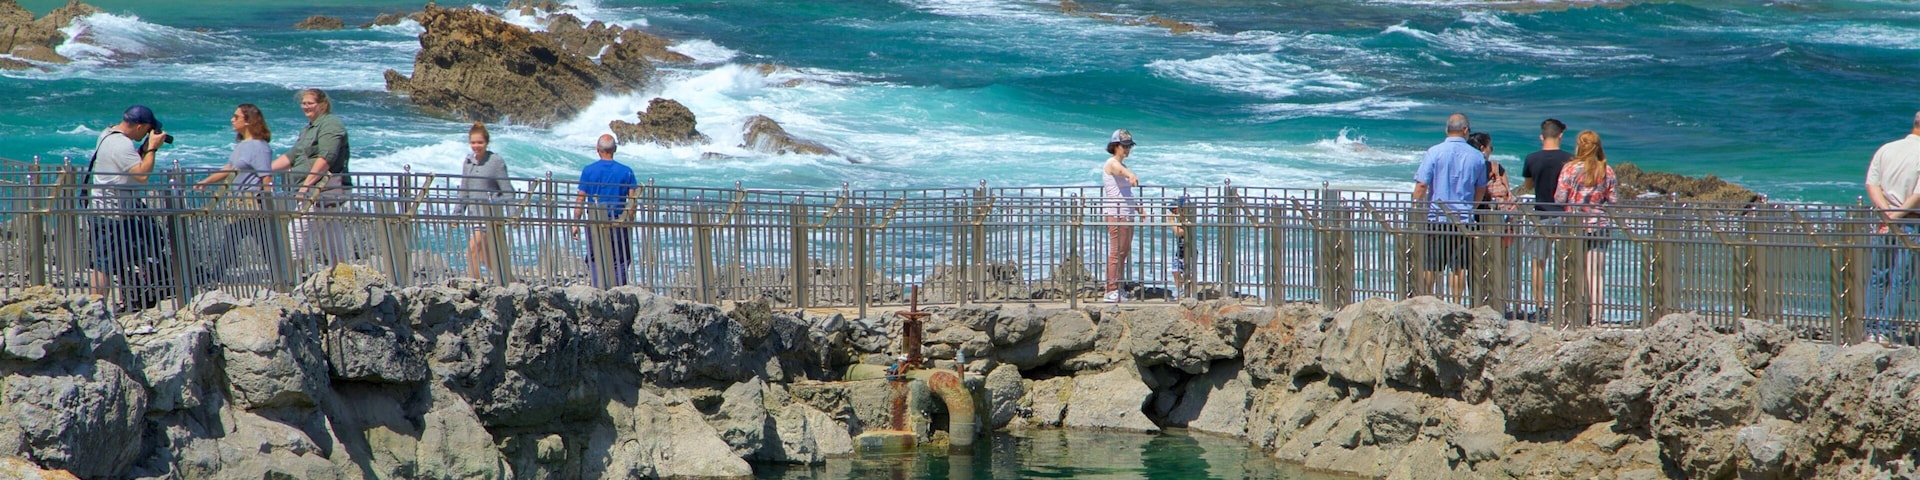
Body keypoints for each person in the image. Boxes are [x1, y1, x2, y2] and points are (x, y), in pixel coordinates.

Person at [87, 105, 172, 308]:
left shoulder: (108, 134)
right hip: (113, 213)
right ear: (140, 126)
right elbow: (141, 175)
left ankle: (134, 293)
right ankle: (95, 310)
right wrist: (151, 149)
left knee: (136, 249)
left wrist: (142, 149)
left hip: (109, 209)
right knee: (104, 265)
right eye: (147, 129)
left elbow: (126, 165)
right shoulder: (121, 145)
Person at [193, 104, 276, 282]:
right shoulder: (243, 145)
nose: (232, 119)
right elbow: (230, 169)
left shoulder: (259, 147)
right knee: (237, 238)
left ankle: (216, 276)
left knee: (254, 240)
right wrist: (206, 181)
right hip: (238, 202)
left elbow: (266, 177)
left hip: (252, 202)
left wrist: (267, 203)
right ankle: (279, 276)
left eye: (236, 117)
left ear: (248, 121)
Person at [1411, 113, 1488, 300]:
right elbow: (1481, 188)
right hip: (1463, 219)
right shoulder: (1477, 156)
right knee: (1459, 267)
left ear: (1447, 129)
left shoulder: (1434, 152)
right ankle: (1456, 303)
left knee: (1431, 265)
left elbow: (1422, 185)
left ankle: (1426, 300)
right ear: (1466, 131)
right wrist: (1472, 206)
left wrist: (1414, 208)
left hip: (1438, 218)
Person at [272, 88, 352, 265]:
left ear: (323, 106)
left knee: (295, 235)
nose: (305, 107)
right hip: (319, 194)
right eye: (303, 103)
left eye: (310, 103)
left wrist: (306, 185)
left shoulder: (331, 124)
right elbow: (292, 156)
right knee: (331, 240)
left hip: (320, 191)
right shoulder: (308, 129)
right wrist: (263, 171)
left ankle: (287, 280)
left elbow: (327, 157)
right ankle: (346, 278)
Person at [1863, 111, 1920, 344]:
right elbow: (1917, 196)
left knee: (1878, 275)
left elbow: (1871, 184)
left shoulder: (1887, 149)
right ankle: (1885, 331)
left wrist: (1887, 215)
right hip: (1910, 221)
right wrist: (1896, 217)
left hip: (1884, 222)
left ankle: (1870, 330)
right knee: (1901, 279)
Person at [1554, 130, 1618, 327]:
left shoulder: (1569, 169)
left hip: (1574, 225)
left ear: (1579, 146)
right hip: (1599, 225)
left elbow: (1559, 198)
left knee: (1575, 271)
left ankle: (1576, 315)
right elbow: (1614, 202)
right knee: (1596, 273)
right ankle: (1597, 319)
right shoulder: (1606, 170)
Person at [1518, 118, 1571, 320]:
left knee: (1538, 263)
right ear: (1561, 135)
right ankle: (1566, 306)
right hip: (1564, 215)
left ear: (1542, 136)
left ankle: (1540, 308)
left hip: (1541, 214)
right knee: (1567, 263)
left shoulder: (1532, 158)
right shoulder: (1570, 159)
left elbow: (1529, 186)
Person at [574, 134, 637, 288]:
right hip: (618, 220)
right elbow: (632, 200)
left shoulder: (589, 170)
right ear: (615, 149)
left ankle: (598, 287)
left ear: (597, 150)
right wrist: (630, 220)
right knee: (620, 258)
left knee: (596, 256)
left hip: (594, 220)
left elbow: (580, 198)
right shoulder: (626, 171)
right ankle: (619, 290)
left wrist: (575, 223)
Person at [460, 122, 515, 280]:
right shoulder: (468, 162)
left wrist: (512, 215)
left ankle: (473, 286)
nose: (476, 146)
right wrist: (458, 212)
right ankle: (511, 282)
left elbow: (507, 189)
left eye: (480, 142)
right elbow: (464, 189)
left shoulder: (496, 161)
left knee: (471, 250)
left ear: (486, 142)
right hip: (474, 214)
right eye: (473, 142)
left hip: (490, 216)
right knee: (486, 258)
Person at [1101, 129, 1140, 303]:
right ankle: (1111, 290)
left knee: (1123, 252)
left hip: (1126, 214)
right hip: (1116, 214)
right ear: (1115, 146)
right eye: (1124, 146)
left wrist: (1138, 208)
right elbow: (1118, 171)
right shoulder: (1112, 163)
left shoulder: (1122, 165)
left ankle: (1118, 286)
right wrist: (1130, 175)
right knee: (1117, 252)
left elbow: (1126, 192)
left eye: (1129, 146)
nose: (1127, 149)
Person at [1165, 196, 1191, 299]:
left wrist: (1171, 221)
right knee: (1175, 271)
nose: (1174, 212)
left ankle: (1189, 292)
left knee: (1188, 273)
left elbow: (1180, 232)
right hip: (1180, 250)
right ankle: (1180, 290)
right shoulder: (1180, 221)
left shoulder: (1187, 221)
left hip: (1189, 251)